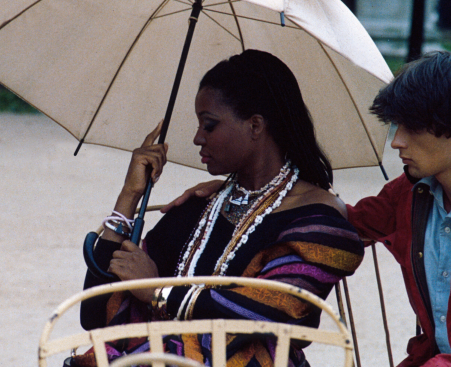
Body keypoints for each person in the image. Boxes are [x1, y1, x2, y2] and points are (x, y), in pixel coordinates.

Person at [166, 51, 451, 366]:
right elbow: (333, 220)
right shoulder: (411, 194)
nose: (396, 142)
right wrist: (240, 192)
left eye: (410, 127)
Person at [75, 49, 365, 367]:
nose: (198, 138)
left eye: (209, 125)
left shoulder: (318, 223)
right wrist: (129, 198)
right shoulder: (195, 209)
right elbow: (94, 315)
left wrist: (159, 292)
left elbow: (276, 309)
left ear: (255, 126)